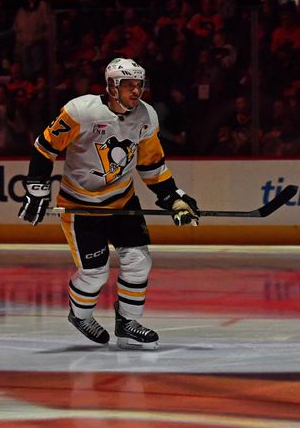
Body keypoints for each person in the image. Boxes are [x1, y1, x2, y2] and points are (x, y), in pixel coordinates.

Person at [18, 58, 199, 350]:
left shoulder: (147, 116)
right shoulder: (80, 111)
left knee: (139, 261)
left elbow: (152, 166)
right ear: (112, 87)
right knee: (94, 272)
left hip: (122, 201)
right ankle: (80, 315)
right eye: (129, 85)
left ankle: (127, 325)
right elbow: (45, 146)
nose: (136, 90)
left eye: (139, 84)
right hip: (82, 206)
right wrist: (37, 189)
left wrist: (173, 197)